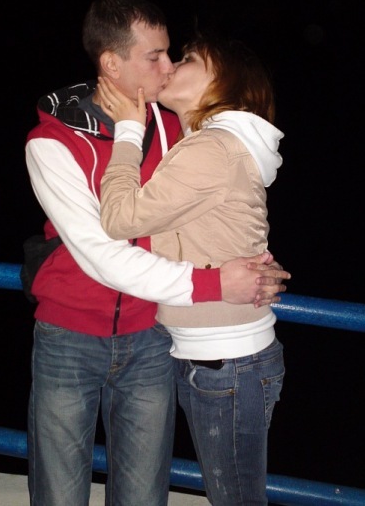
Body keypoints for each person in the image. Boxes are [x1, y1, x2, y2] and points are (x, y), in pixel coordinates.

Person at [24, 0, 290, 506]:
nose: (167, 67)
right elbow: (103, 252)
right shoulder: (51, 143)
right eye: (156, 56)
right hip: (69, 335)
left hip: (153, 336)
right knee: (59, 491)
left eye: (174, 55)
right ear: (112, 63)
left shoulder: (175, 127)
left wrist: (256, 261)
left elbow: (223, 197)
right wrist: (217, 282)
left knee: (144, 495)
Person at [98, 32, 286, 505]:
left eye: (187, 59)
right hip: (220, 357)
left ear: (220, 81)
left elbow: (119, 217)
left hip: (225, 362)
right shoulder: (213, 145)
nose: (170, 66)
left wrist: (127, 131)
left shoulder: (212, 149)